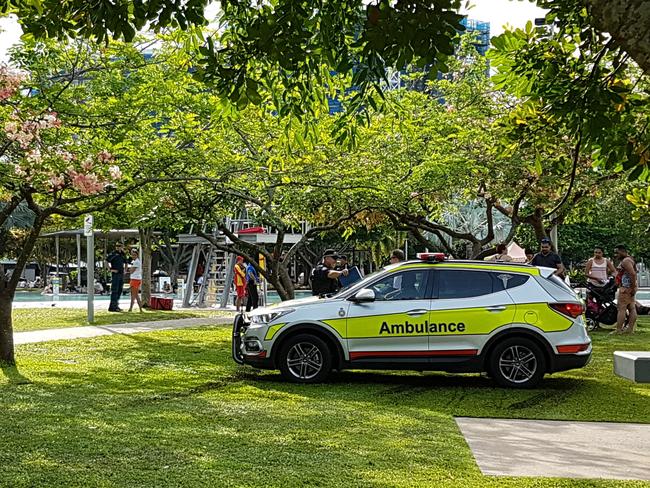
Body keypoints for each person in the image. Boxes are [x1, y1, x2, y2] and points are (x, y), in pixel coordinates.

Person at [614, 245, 638, 334]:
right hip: (629, 288)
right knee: (632, 307)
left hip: (626, 288)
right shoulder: (629, 259)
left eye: (617, 252)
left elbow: (633, 274)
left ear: (623, 251)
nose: (616, 255)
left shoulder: (626, 261)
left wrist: (632, 287)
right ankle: (630, 330)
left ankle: (619, 330)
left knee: (621, 308)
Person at [107, 242, 127, 312]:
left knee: (120, 290)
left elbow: (126, 262)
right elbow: (106, 261)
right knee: (114, 290)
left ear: (122, 246)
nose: (118, 247)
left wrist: (125, 270)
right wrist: (110, 269)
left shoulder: (123, 254)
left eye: (120, 246)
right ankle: (112, 307)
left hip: (121, 274)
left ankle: (116, 305)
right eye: (117, 246)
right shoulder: (113, 254)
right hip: (115, 274)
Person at [127, 248, 143, 312]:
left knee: (134, 295)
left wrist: (129, 269)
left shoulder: (136, 262)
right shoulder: (134, 262)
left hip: (135, 279)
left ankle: (136, 308)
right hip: (135, 279)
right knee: (134, 295)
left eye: (134, 255)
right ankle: (133, 308)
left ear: (137, 255)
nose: (133, 256)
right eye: (132, 255)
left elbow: (131, 271)